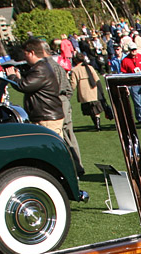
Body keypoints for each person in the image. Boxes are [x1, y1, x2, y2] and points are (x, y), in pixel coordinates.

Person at [4, 37, 64, 137]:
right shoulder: (42, 67)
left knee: (50, 147)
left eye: (25, 54)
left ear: (32, 53)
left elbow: (24, 86)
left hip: (47, 117)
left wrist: (12, 76)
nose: (24, 56)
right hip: (46, 116)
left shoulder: (40, 69)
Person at [40, 41, 83, 175]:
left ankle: (71, 167)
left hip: (56, 102)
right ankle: (77, 166)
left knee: (61, 135)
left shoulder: (46, 67)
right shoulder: (57, 65)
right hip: (62, 100)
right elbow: (68, 89)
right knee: (68, 134)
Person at [70, 53, 106, 131]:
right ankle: (98, 125)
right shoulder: (90, 67)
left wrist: (70, 91)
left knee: (90, 110)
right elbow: (97, 79)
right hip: (93, 91)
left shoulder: (75, 70)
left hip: (83, 93)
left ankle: (96, 124)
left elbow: (73, 83)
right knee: (96, 109)